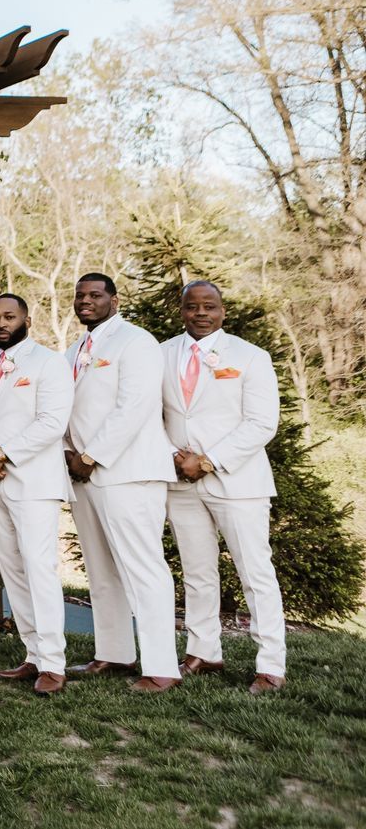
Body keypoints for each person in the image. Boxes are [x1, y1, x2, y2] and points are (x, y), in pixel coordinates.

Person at [161, 280, 285, 693]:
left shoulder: (251, 357)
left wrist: (208, 460)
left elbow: (262, 422)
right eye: (192, 306)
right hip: (181, 481)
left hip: (238, 481)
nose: (201, 313)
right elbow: (149, 414)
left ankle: (270, 664)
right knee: (196, 571)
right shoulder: (161, 354)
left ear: (222, 311)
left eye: (209, 306)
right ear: (182, 311)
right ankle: (204, 650)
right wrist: (173, 455)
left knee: (255, 572)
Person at [63, 272, 180, 692]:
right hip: (83, 475)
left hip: (127, 471)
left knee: (143, 568)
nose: (86, 301)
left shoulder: (136, 341)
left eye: (95, 295)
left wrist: (92, 456)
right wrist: (68, 453)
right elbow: (65, 408)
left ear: (114, 300)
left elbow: (135, 406)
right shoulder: (74, 350)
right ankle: (114, 653)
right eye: (80, 295)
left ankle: (162, 667)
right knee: (100, 569)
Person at [0, 293, 74, 696]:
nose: (1, 323)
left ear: (26, 321)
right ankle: (33, 653)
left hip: (33, 482)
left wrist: (2, 455)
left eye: (10, 317)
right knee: (13, 571)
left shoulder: (49, 362)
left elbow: (52, 422)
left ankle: (53, 662)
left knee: (39, 568)